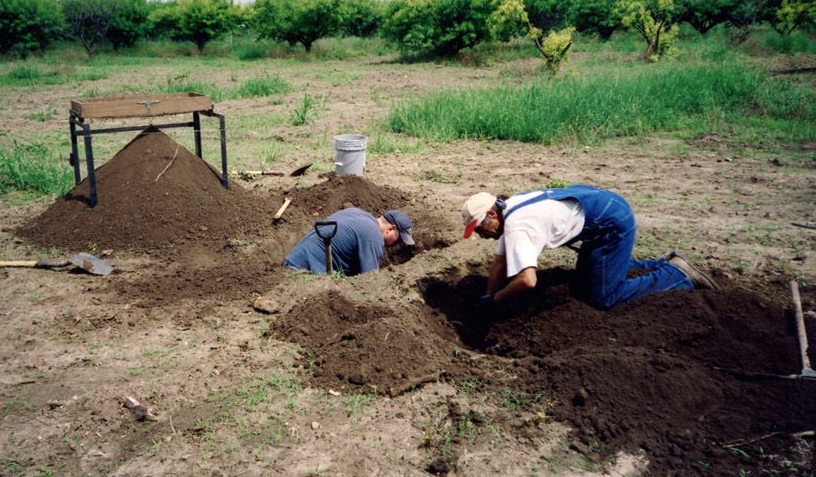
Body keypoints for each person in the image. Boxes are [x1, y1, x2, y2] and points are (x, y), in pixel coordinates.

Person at [461, 184, 719, 311]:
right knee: (585, 280)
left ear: (492, 215)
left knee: (603, 297)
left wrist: (496, 300)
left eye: (480, 229)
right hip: (601, 210)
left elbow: (528, 280)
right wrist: (487, 295)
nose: (481, 236)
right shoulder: (513, 207)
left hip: (610, 223)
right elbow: (499, 262)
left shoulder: (518, 226)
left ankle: (676, 276)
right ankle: (663, 264)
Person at [284, 208, 415, 276]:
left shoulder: (357, 213)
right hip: (303, 269)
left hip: (294, 259)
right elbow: (370, 280)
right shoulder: (373, 236)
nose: (396, 244)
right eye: (398, 239)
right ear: (390, 229)